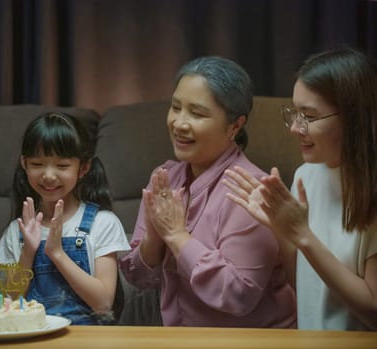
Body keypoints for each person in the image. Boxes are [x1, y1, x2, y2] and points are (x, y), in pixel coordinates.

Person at [119, 56, 296, 327]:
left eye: (197, 113)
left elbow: (238, 295)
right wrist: (154, 240)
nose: (179, 123)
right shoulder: (165, 178)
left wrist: (178, 237)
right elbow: (139, 279)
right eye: (175, 107)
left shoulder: (250, 191)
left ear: (235, 126)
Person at [223, 48, 377, 331]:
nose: (295, 127)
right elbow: (304, 287)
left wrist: (304, 236)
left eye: (309, 116)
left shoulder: (371, 191)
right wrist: (282, 231)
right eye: (295, 113)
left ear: (353, 117)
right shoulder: (305, 176)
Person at [0, 112, 130, 325]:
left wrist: (57, 253)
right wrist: (28, 253)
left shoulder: (102, 223)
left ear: (83, 168)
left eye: (62, 165)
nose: (48, 175)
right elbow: (9, 304)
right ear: (24, 164)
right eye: (37, 164)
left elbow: (103, 303)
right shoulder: (16, 231)